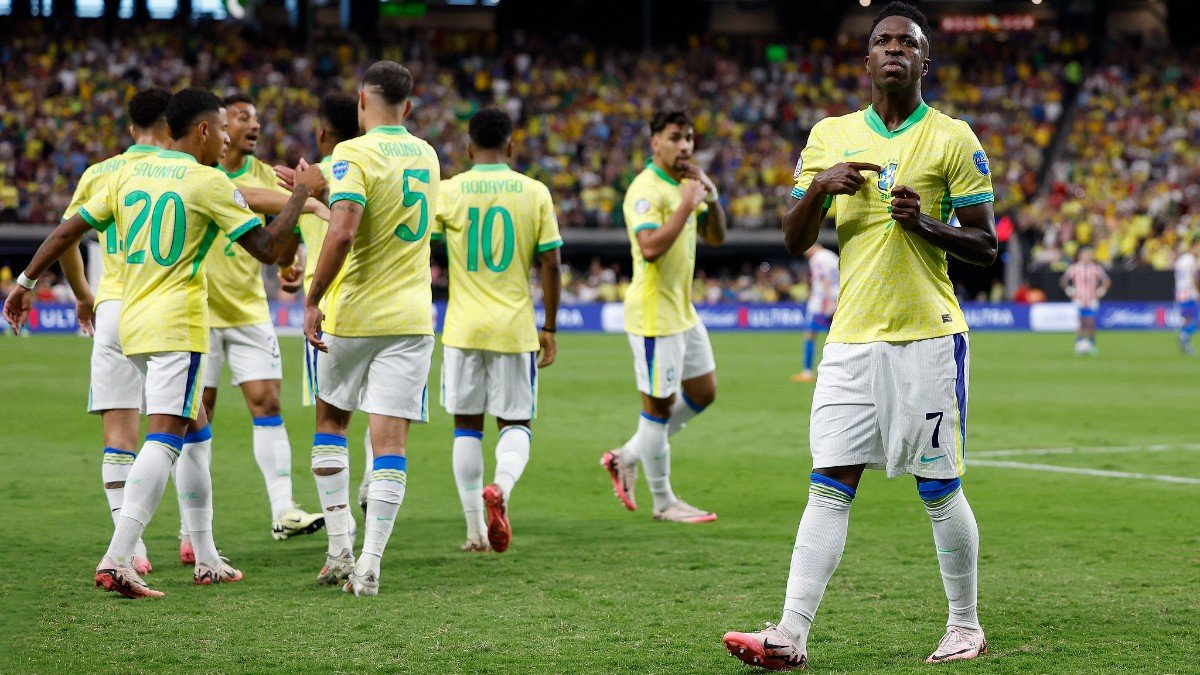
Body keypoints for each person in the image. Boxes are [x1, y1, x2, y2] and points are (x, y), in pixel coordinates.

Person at [722, 3, 998, 668]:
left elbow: (986, 245)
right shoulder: (829, 135)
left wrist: (926, 222)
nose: (895, 48)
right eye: (883, 40)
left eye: (909, 41)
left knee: (937, 485)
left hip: (927, 338)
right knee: (828, 482)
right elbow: (794, 238)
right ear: (867, 59)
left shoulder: (953, 138)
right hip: (848, 341)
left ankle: (965, 625)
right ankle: (791, 633)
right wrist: (819, 187)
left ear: (925, 61)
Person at [3, 88, 325, 598]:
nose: (225, 138)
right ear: (202, 130)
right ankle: (119, 556)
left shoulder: (125, 173)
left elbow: (68, 231)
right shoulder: (207, 180)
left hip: (129, 319)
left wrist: (25, 282)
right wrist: (304, 195)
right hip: (177, 324)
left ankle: (206, 555)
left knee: (194, 430)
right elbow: (266, 248)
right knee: (167, 436)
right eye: (221, 128)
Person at [303, 61, 440, 597]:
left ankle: (339, 549)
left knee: (332, 422)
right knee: (390, 445)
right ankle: (371, 563)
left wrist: (313, 299)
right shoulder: (427, 154)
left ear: (362, 100)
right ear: (408, 106)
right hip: (410, 318)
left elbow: (340, 234)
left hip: (355, 314)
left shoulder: (351, 154)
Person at [176, 93, 323, 554]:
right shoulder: (200, 171)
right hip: (197, 307)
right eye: (242, 118)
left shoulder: (267, 176)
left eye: (256, 118)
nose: (252, 125)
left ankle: (284, 509)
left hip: (245, 308)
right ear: (217, 127)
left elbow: (286, 235)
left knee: (267, 402)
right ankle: (190, 531)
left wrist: (290, 264)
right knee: (198, 416)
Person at [432, 108, 563, 553]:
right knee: (516, 424)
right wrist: (549, 325)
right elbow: (551, 262)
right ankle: (501, 487)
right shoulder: (534, 192)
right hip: (514, 328)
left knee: (466, 427)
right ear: (511, 147)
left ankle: (474, 532)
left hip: (463, 327)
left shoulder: (447, 191)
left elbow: (421, 250)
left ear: (469, 148)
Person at [57, 88, 173, 577]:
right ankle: (198, 541)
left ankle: (134, 548)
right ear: (172, 125)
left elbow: (68, 238)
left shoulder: (101, 172)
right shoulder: (182, 173)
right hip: (163, 308)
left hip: (112, 307)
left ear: (130, 129)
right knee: (179, 423)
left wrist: (85, 292)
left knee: (118, 433)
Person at [600, 109, 727, 523]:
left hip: (682, 311)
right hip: (654, 315)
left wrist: (709, 194)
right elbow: (651, 247)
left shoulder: (687, 185)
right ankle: (663, 502)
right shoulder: (646, 189)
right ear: (655, 143)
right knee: (657, 410)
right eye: (676, 137)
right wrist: (687, 204)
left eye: (689, 137)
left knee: (704, 392)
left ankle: (628, 455)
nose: (686, 145)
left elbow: (717, 236)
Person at [273, 93, 377, 513]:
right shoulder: (376, 166)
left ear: (322, 132)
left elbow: (302, 237)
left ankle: (341, 528)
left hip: (330, 308)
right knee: (382, 407)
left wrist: (306, 198)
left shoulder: (313, 176)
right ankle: (374, 473)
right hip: (383, 302)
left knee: (331, 420)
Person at [792, 242, 839, 382]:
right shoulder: (833, 256)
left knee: (810, 335)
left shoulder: (817, 259)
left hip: (822, 302)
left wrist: (827, 302)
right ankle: (838, 373)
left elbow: (824, 278)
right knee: (835, 338)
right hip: (838, 298)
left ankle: (807, 372)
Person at [1060, 246, 1110, 356]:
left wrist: (1101, 290)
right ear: (1080, 256)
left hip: (1092, 299)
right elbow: (1063, 280)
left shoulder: (1096, 268)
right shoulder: (1074, 268)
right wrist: (1069, 290)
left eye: (1089, 254)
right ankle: (1079, 344)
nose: (1087, 256)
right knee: (1080, 322)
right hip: (1079, 299)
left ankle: (1091, 345)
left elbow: (1106, 280)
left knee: (1091, 322)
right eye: (1085, 254)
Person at [1173, 242, 1197, 354]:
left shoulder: (1179, 261)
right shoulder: (1191, 260)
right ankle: (1184, 338)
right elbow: (1194, 277)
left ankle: (1185, 341)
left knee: (1187, 319)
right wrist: (1197, 291)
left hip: (1180, 292)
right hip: (1189, 292)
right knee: (1194, 319)